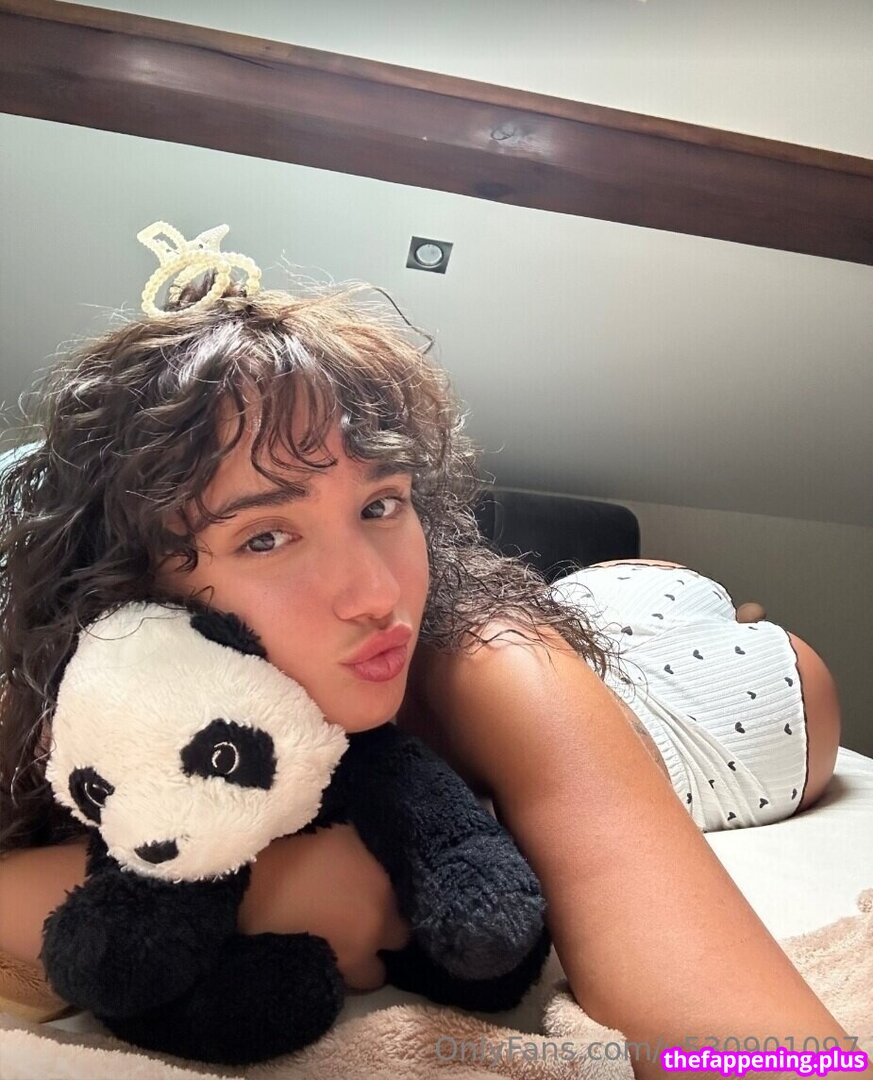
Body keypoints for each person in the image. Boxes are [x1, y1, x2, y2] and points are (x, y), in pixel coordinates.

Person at [0, 225, 853, 1078]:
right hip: (581, 614)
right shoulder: (76, 684)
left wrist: (262, 890)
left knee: (651, 642)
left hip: (715, 700)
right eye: (265, 537)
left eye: (381, 505)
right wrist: (280, 881)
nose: (377, 595)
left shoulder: (488, 660)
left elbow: (768, 1055)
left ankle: (699, 604)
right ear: (128, 587)